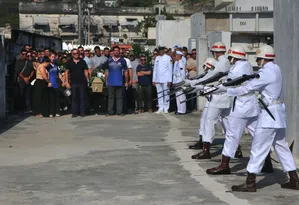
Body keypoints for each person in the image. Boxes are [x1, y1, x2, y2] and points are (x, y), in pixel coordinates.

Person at [214, 45, 299, 192]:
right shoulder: (276, 69)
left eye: (259, 59)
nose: (258, 61)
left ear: (263, 59)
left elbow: (247, 88)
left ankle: (250, 182)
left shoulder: (265, 73)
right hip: (278, 114)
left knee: (257, 148)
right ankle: (294, 180)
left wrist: (226, 90)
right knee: (282, 147)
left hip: (269, 116)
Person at [205, 46, 262, 175]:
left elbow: (230, 83)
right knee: (256, 133)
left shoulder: (238, 67)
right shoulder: (245, 64)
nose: (230, 59)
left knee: (232, 135)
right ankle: (267, 162)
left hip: (242, 104)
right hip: (252, 103)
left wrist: (216, 87)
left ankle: (224, 164)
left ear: (234, 57)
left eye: (230, 57)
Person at [185, 42, 232, 159]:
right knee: (227, 124)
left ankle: (206, 150)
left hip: (217, 97)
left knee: (209, 122)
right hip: (225, 97)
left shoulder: (219, 63)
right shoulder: (225, 62)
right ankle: (237, 149)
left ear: (215, 52)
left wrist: (193, 82)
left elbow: (208, 77)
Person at [188, 57, 218, 149]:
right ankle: (202, 141)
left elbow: (211, 87)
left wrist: (198, 87)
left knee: (226, 126)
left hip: (218, 102)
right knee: (203, 121)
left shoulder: (214, 76)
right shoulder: (207, 75)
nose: (204, 68)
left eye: (205, 66)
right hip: (210, 101)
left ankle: (237, 148)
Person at [104, 46, 128, 116]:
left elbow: (126, 71)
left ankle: (119, 112)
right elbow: (106, 71)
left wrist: (126, 81)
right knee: (111, 97)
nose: (116, 51)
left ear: (119, 51)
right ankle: (110, 111)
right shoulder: (109, 60)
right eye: (115, 50)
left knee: (119, 98)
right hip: (111, 82)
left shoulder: (122, 60)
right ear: (113, 51)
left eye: (118, 50)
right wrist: (106, 81)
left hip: (119, 82)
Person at [65, 49, 90, 118]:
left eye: (77, 53)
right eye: (74, 53)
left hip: (82, 82)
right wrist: (66, 82)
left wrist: (87, 80)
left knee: (82, 98)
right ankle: (74, 112)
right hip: (73, 83)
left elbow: (85, 71)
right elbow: (66, 72)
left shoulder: (83, 62)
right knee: (74, 98)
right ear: (72, 54)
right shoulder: (69, 62)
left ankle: (82, 112)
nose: (76, 54)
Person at [152, 46, 173, 114]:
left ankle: (166, 108)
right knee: (159, 94)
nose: (160, 51)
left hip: (165, 79)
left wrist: (170, 80)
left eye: (161, 50)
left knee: (166, 94)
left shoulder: (168, 58)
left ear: (163, 51)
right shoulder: (157, 58)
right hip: (158, 79)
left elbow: (170, 70)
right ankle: (160, 107)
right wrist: (154, 80)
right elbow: (155, 69)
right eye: (159, 50)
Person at [14, 49, 35, 114]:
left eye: (26, 54)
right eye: (23, 54)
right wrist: (24, 78)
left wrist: (29, 78)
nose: (25, 55)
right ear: (21, 55)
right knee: (21, 95)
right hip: (21, 81)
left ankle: (28, 108)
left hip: (28, 80)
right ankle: (21, 109)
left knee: (28, 95)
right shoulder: (18, 62)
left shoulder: (29, 62)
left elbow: (33, 70)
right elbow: (18, 72)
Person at [48, 52, 63, 117]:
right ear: (49, 57)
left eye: (54, 57)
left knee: (57, 98)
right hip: (50, 83)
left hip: (56, 83)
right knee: (51, 98)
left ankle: (57, 111)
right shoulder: (47, 66)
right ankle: (51, 112)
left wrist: (63, 81)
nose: (53, 58)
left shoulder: (56, 66)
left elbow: (59, 74)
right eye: (52, 57)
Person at [173, 51, 187, 115]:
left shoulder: (181, 63)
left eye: (176, 55)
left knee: (181, 96)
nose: (175, 56)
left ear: (179, 56)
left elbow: (183, 74)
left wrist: (182, 83)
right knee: (177, 97)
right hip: (176, 81)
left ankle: (183, 110)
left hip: (180, 81)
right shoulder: (176, 62)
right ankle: (179, 110)